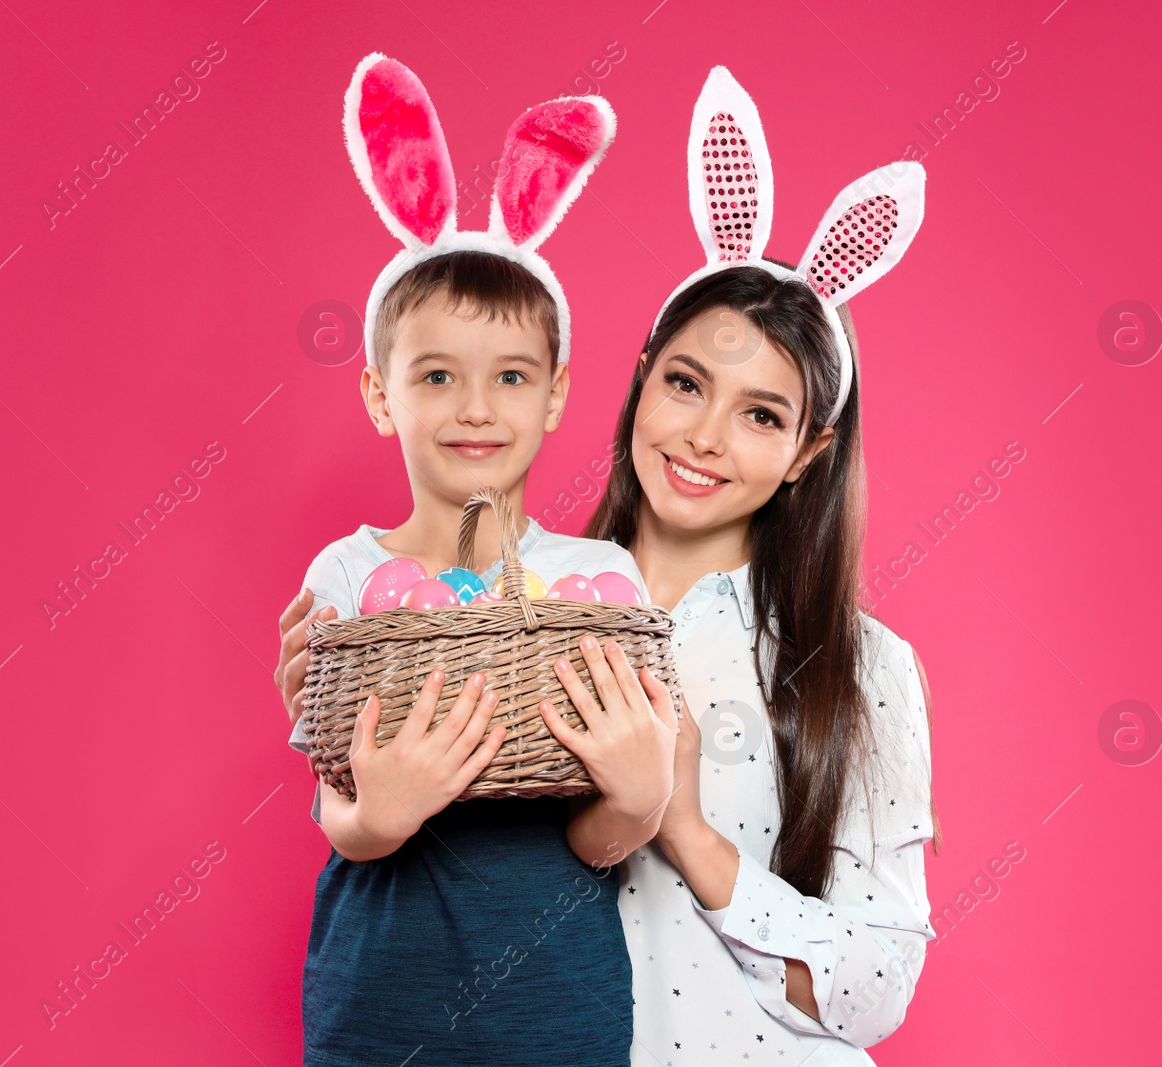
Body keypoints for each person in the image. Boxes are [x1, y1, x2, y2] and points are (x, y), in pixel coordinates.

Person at [539, 68, 939, 1063]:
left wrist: (683, 827)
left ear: (809, 450)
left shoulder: (865, 668)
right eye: (685, 383)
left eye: (761, 412)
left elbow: (878, 988)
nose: (704, 436)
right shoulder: (526, 606)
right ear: (640, 379)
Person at [285, 53, 675, 1067]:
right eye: (436, 375)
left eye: (510, 375)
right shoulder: (343, 574)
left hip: (559, 1007)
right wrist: (384, 813)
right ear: (381, 394)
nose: (474, 407)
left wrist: (639, 799)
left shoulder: (603, 584)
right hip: (377, 1005)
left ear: (553, 396)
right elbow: (338, 812)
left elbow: (598, 835)